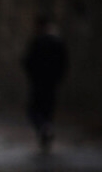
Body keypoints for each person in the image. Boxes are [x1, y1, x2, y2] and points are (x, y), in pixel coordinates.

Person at [22, 14, 69, 154]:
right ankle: (46, 131)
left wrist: (32, 75)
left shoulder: (38, 41)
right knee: (47, 110)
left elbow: (27, 61)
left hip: (39, 82)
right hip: (52, 82)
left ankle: (44, 130)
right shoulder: (58, 42)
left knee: (34, 110)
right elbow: (64, 63)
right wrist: (58, 78)